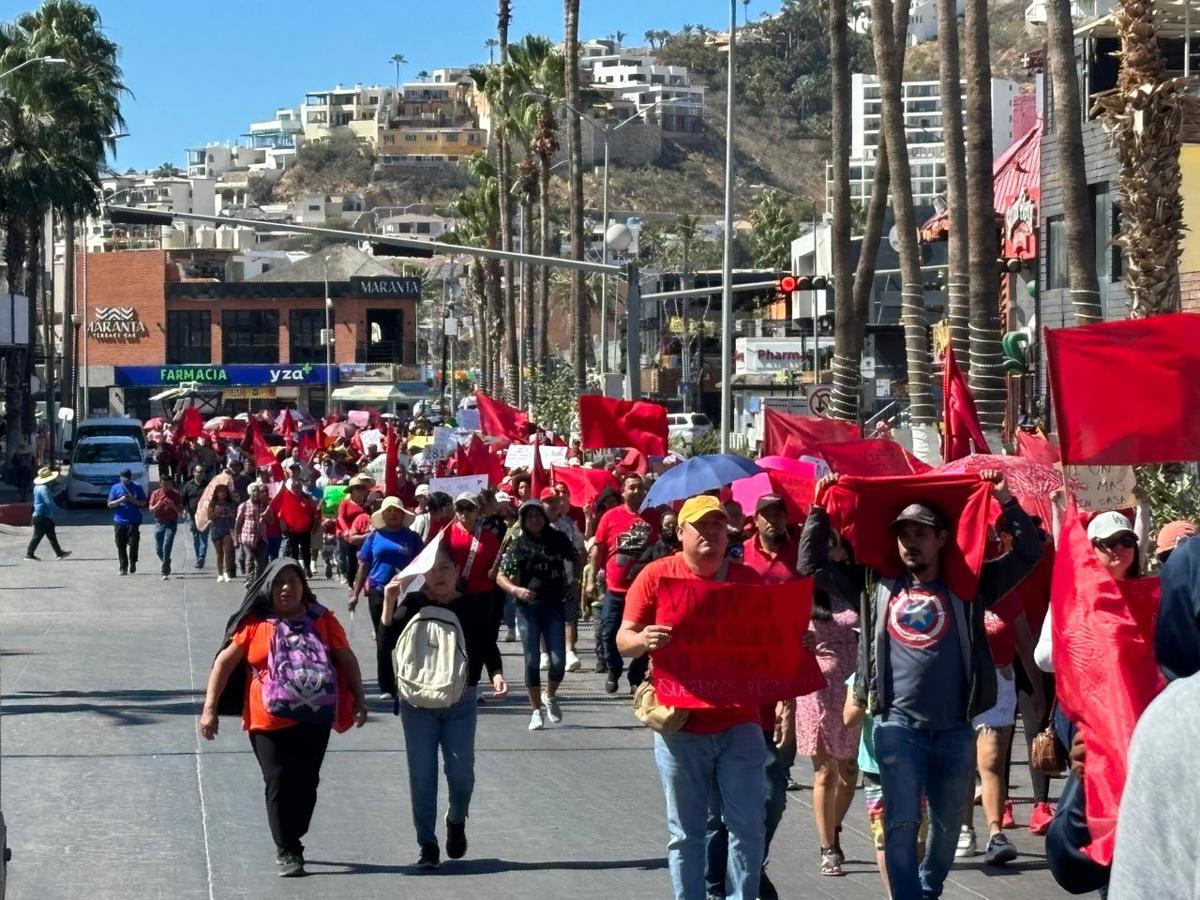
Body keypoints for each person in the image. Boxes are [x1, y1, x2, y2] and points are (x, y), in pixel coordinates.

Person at [813, 471, 1043, 900]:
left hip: (955, 728)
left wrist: (1004, 498)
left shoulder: (970, 586)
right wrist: (818, 507)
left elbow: (1030, 551)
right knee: (900, 821)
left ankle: (927, 888)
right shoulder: (874, 584)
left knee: (947, 825)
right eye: (903, 535)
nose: (909, 543)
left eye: (920, 533)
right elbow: (813, 564)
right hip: (897, 729)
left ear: (941, 538)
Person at [617, 495, 768, 900]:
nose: (711, 534)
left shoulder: (747, 580)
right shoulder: (655, 575)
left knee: (748, 826)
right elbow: (624, 639)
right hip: (681, 724)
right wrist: (643, 638)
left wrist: (799, 640)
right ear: (680, 532)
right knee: (686, 833)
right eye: (701, 526)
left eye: (718, 525)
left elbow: (773, 642)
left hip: (740, 722)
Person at [198, 559, 368, 877]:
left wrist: (360, 698)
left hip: (314, 716)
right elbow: (223, 664)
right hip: (267, 718)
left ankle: (294, 831)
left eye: (293, 581)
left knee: (307, 782)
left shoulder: (323, 620)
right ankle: (287, 847)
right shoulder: (254, 624)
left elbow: (347, 659)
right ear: (268, 589)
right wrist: (210, 708)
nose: (287, 587)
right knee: (278, 779)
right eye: (279, 583)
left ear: (304, 587)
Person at [379, 547, 508, 868]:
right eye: (433, 569)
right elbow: (386, 644)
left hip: (461, 700)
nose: (439, 575)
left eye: (446, 568)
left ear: (456, 572)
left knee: (462, 775)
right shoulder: (412, 606)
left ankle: (456, 819)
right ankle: (427, 845)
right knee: (422, 777)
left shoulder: (470, 606)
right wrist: (387, 602)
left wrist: (496, 674)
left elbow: (487, 644)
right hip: (417, 702)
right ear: (423, 573)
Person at [706, 495, 805, 898]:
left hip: (781, 691)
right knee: (719, 812)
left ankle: (750, 864)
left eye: (780, 512)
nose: (774, 519)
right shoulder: (735, 556)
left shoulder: (801, 556)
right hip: (734, 699)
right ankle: (718, 884)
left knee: (772, 796)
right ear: (755, 517)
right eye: (767, 512)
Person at [792, 493, 864, 877]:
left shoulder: (858, 589)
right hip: (818, 687)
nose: (833, 553)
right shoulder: (807, 591)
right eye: (827, 545)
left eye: (838, 546)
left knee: (850, 770)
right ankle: (828, 845)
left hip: (855, 689)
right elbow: (785, 634)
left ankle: (834, 825)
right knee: (824, 772)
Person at [496, 499, 579, 730]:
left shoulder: (558, 539)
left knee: (558, 662)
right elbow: (500, 576)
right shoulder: (518, 545)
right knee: (532, 660)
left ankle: (549, 695)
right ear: (523, 520)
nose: (534, 520)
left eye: (538, 515)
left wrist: (576, 582)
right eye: (529, 516)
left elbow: (577, 557)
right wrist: (516, 590)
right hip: (528, 609)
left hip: (554, 604)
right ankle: (535, 711)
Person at [590, 474, 659, 694]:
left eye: (640, 488)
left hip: (644, 591)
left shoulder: (654, 516)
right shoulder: (610, 517)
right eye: (632, 487)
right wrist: (591, 579)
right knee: (608, 632)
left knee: (644, 636)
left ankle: (635, 676)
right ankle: (614, 669)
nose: (636, 492)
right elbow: (598, 549)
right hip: (615, 589)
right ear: (623, 491)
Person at [351, 496, 424, 698]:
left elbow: (423, 565)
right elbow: (364, 565)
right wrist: (355, 593)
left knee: (406, 637)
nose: (393, 514)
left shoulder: (413, 538)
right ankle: (386, 686)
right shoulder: (374, 537)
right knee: (383, 639)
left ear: (403, 514)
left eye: (397, 511)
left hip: (407, 594)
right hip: (378, 591)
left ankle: (408, 680)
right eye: (389, 511)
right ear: (383, 515)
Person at [543, 487, 587, 672]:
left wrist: (577, 579)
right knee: (543, 618)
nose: (553, 505)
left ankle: (569, 652)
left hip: (566, 579)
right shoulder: (534, 524)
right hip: (542, 581)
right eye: (549, 501)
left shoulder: (569, 524)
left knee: (569, 617)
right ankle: (544, 654)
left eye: (556, 501)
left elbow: (580, 551)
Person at [445, 492, 501, 596]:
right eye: (460, 508)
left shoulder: (488, 536)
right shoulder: (445, 533)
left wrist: (494, 572)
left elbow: (496, 564)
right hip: (452, 593)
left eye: (469, 508)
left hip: (481, 594)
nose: (464, 512)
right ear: (455, 510)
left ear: (477, 510)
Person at [108, 468, 148, 576]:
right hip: (119, 520)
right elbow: (110, 504)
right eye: (123, 478)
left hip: (133, 520)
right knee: (120, 544)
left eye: (126, 478)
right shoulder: (115, 488)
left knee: (133, 543)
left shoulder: (137, 487)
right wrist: (120, 500)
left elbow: (144, 503)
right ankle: (123, 567)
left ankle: (133, 561)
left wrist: (132, 500)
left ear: (130, 477)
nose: (124, 480)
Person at [25, 466, 70, 561]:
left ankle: (59, 553)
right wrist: (58, 511)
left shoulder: (38, 487)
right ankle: (29, 554)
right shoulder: (44, 488)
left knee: (51, 535)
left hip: (43, 515)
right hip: (42, 516)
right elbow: (48, 501)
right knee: (37, 536)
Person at [336, 474, 373, 587]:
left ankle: (361, 580)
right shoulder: (345, 503)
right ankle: (349, 580)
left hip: (361, 534)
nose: (360, 490)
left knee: (363, 557)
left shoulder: (366, 505)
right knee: (348, 557)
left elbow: (369, 518)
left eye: (362, 488)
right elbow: (340, 518)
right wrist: (346, 530)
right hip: (347, 534)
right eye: (357, 488)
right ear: (352, 490)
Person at [235, 483, 271, 585]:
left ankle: (258, 581)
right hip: (247, 537)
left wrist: (265, 516)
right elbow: (238, 523)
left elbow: (271, 521)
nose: (256, 493)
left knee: (261, 562)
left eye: (258, 491)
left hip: (261, 538)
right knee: (249, 558)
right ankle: (250, 579)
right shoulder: (244, 506)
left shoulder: (265, 506)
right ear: (250, 493)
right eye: (254, 491)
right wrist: (236, 539)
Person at [148, 473, 183, 579]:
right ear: (160, 484)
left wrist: (172, 505)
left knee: (167, 545)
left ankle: (165, 570)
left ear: (171, 484)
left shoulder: (176, 495)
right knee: (159, 549)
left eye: (168, 484)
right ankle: (166, 560)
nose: (166, 486)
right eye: (164, 484)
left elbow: (180, 511)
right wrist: (158, 504)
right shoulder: (156, 493)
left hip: (171, 522)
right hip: (159, 522)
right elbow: (150, 509)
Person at [208, 483, 239, 583]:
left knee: (228, 552)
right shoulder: (212, 504)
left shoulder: (231, 503)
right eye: (220, 492)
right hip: (216, 530)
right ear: (216, 493)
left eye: (224, 492)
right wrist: (218, 512)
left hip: (228, 530)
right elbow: (209, 516)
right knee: (219, 553)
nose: (222, 494)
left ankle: (227, 572)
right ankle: (220, 573)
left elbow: (235, 515)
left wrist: (228, 513)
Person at [181, 465, 210, 569]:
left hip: (204, 516)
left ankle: (201, 556)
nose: (201, 474)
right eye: (198, 471)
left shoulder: (207, 485)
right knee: (195, 537)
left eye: (202, 472)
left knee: (204, 537)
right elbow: (183, 500)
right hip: (192, 516)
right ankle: (198, 557)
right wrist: (184, 510)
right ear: (194, 472)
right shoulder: (188, 485)